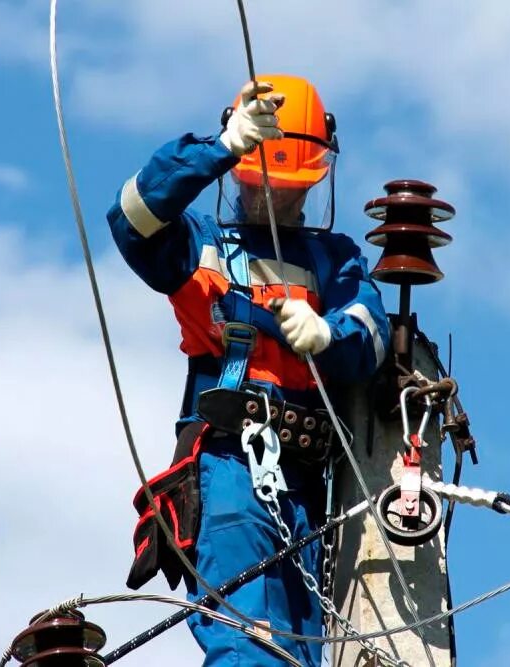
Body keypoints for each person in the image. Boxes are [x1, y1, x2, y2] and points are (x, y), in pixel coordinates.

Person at [108, 74, 389, 666]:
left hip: (309, 485)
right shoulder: (198, 245)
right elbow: (132, 217)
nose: (270, 195)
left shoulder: (333, 259)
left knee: (303, 648)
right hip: (231, 466)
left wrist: (327, 333)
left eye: (286, 187)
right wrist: (219, 147)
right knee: (249, 641)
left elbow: (369, 331)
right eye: (258, 177)